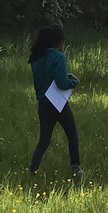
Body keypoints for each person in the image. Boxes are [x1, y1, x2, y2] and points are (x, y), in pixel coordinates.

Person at [28, 25, 82, 177]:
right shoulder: (59, 57)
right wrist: (74, 82)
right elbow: (62, 83)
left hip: (43, 103)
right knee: (72, 134)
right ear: (58, 43)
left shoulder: (36, 58)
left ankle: (33, 168)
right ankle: (76, 167)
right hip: (58, 103)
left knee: (44, 139)